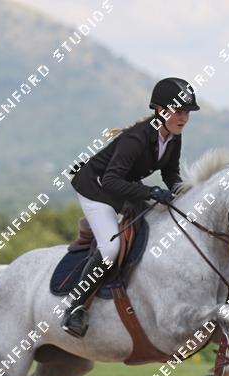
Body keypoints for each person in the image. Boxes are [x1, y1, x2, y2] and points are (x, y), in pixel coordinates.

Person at [63, 77, 199, 337]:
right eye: (179, 111)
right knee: (110, 248)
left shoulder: (173, 136)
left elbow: (170, 173)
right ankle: (75, 308)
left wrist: (184, 191)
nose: (184, 118)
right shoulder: (135, 138)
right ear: (160, 110)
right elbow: (111, 180)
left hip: (121, 186)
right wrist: (151, 192)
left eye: (187, 112)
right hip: (95, 188)